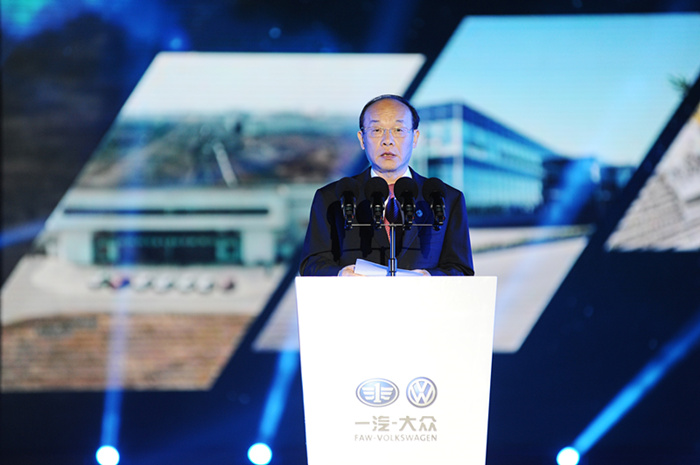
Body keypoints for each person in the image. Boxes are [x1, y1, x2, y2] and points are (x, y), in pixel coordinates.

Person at [299, 94, 474, 277]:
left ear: (415, 137)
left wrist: (429, 278)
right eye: (376, 130)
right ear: (362, 139)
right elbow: (312, 265)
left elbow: (461, 269)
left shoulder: (447, 198)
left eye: (398, 130)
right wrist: (342, 274)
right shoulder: (331, 198)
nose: (387, 140)